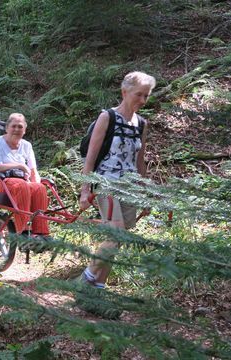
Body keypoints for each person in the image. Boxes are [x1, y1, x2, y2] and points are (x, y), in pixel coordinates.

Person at [78, 71, 155, 290]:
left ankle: (98, 288)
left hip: (129, 187)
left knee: (117, 239)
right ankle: (86, 278)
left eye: (146, 96)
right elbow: (91, 156)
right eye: (138, 94)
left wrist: (145, 192)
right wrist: (85, 190)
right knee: (116, 231)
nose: (142, 100)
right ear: (124, 92)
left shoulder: (141, 124)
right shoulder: (107, 117)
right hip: (106, 182)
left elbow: (140, 161)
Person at [0, 113, 51, 240]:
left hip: (17, 182)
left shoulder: (26, 145)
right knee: (21, 185)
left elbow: (33, 170)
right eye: (13, 126)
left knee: (39, 188)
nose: (16, 130)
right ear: (7, 128)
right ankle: (24, 233)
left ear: (24, 130)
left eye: (20, 127)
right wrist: (20, 165)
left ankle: (41, 233)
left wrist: (35, 183)